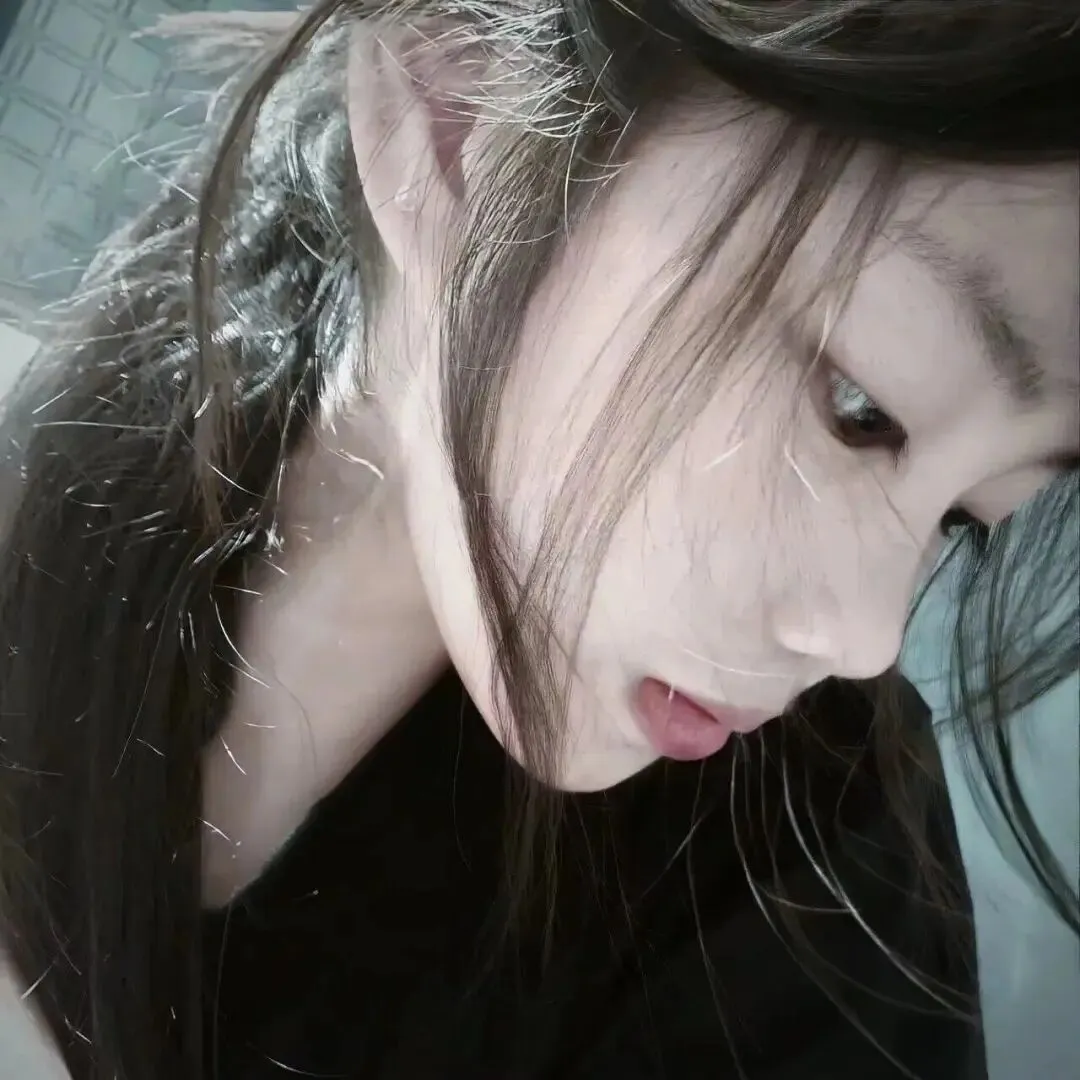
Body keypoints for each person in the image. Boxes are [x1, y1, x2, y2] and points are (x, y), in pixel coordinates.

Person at [0, 2, 1077, 1077]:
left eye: (964, 516)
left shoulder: (818, 874)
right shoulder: (73, 447)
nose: (864, 638)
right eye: (859, 409)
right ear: (460, 114)